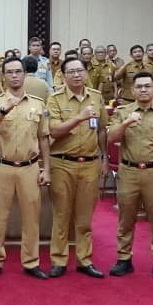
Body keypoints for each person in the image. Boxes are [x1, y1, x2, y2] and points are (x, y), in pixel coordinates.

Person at [0, 57, 51, 280]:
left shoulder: (37, 104)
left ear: (24, 74)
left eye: (18, 71)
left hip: (29, 168)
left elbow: (43, 138)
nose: (14, 75)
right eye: (9, 72)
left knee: (32, 218)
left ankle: (31, 261)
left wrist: (46, 168)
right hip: (2, 166)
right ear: (3, 76)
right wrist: (3, 111)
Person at [107, 72, 153, 279]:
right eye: (139, 86)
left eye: (147, 86)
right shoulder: (123, 112)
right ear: (133, 90)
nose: (143, 89)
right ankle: (124, 259)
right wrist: (126, 123)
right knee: (126, 218)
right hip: (129, 171)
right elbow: (110, 138)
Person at [46, 57, 107, 278]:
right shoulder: (55, 99)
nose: (76, 75)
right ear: (63, 76)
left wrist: (105, 157)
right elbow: (53, 130)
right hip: (62, 163)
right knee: (61, 215)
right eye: (71, 71)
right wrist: (79, 118)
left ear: (86, 73)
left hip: (90, 163)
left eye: (80, 70)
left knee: (85, 217)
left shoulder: (97, 97)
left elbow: (102, 129)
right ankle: (59, 260)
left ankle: (84, 260)